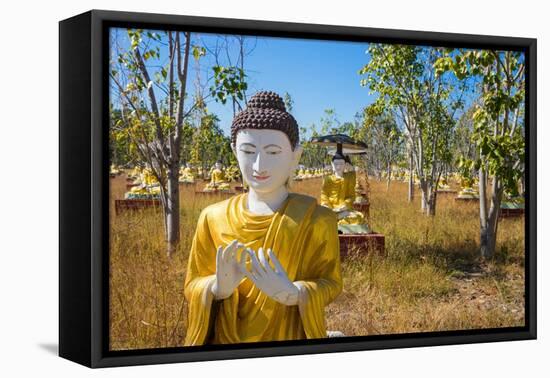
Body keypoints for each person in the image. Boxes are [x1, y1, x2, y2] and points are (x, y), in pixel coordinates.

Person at [184, 91, 342, 345]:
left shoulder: (317, 219)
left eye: (272, 152)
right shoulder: (212, 217)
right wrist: (217, 288)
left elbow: (331, 283)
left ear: (295, 155)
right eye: (248, 151)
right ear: (234, 151)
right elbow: (192, 284)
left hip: (288, 339)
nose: (259, 166)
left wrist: (294, 293)